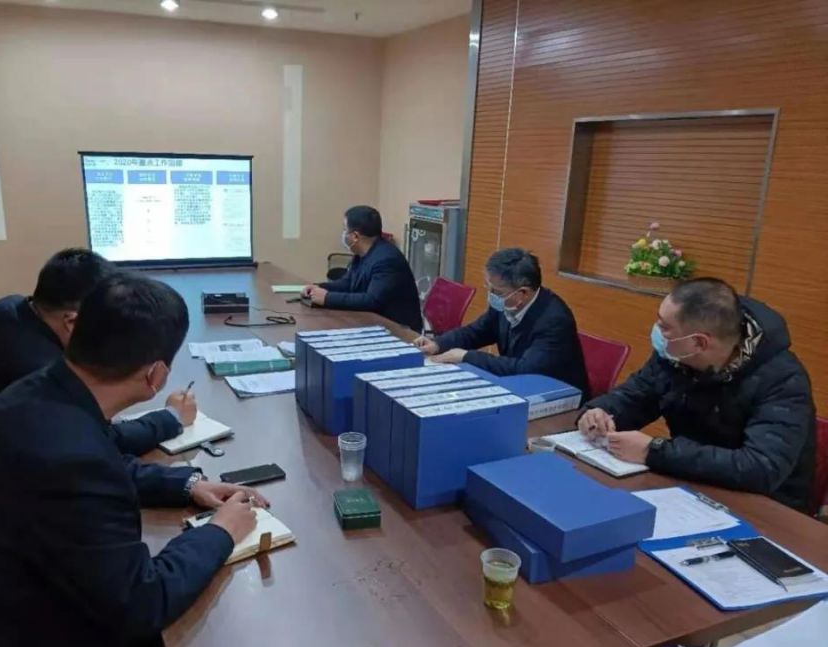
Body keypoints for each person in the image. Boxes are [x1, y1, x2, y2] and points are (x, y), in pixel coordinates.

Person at [0, 273, 267, 647]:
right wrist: (220, 532)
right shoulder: (73, 458)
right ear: (155, 375)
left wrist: (188, 485)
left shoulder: (44, 387)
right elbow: (142, 604)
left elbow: (102, 457)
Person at [0, 248, 193, 492]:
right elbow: (97, 452)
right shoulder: (38, 370)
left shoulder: (11, 309)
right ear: (72, 322)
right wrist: (169, 419)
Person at [579, 278, 816, 513]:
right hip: (689, 484)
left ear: (699, 342)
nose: (658, 332)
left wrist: (655, 451)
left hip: (765, 509)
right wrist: (599, 412)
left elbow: (761, 468)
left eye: (664, 327)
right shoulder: (674, 355)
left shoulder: (782, 380)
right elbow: (638, 394)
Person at [414, 248, 590, 396]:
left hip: (557, 401)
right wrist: (438, 344)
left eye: (497, 291)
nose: (491, 295)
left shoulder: (554, 320)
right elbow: (477, 331)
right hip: (518, 387)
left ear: (523, 293)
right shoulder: (506, 304)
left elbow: (525, 369)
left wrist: (466, 356)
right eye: (488, 287)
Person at [302, 205, 422, 331]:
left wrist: (327, 298)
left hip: (398, 330)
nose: (343, 234)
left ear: (355, 236)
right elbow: (348, 283)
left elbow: (372, 300)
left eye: (345, 230)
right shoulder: (362, 253)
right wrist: (319, 288)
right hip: (371, 322)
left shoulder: (387, 259)